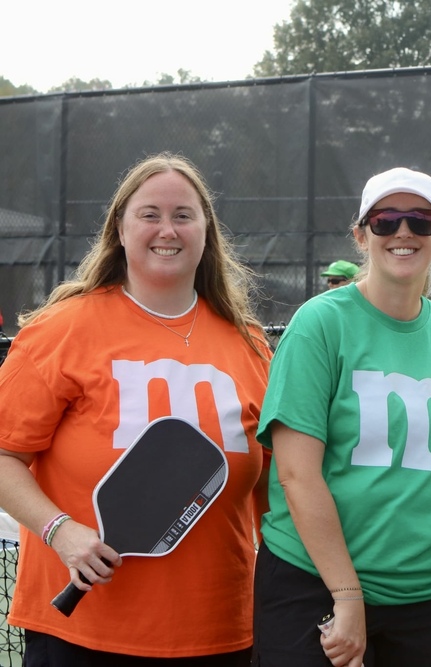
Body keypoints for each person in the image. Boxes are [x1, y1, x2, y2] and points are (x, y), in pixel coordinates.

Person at [0, 152, 272, 665]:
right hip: (81, 635)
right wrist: (61, 531)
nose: (166, 229)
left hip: (223, 633)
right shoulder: (63, 330)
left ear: (206, 233)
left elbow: (273, 488)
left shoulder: (250, 344)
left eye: (183, 215)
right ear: (120, 230)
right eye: (149, 214)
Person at [252, 166, 431, 667]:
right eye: (386, 220)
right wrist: (347, 594)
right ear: (362, 234)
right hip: (314, 585)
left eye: (421, 221)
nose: (404, 232)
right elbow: (295, 473)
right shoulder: (319, 325)